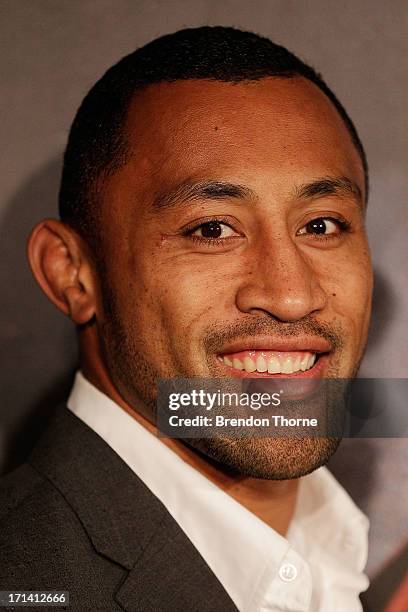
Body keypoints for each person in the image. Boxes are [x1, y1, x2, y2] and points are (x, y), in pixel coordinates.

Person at [0, 26, 373, 611]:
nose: (292, 295)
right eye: (212, 230)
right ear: (72, 273)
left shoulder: (337, 552)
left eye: (321, 225)